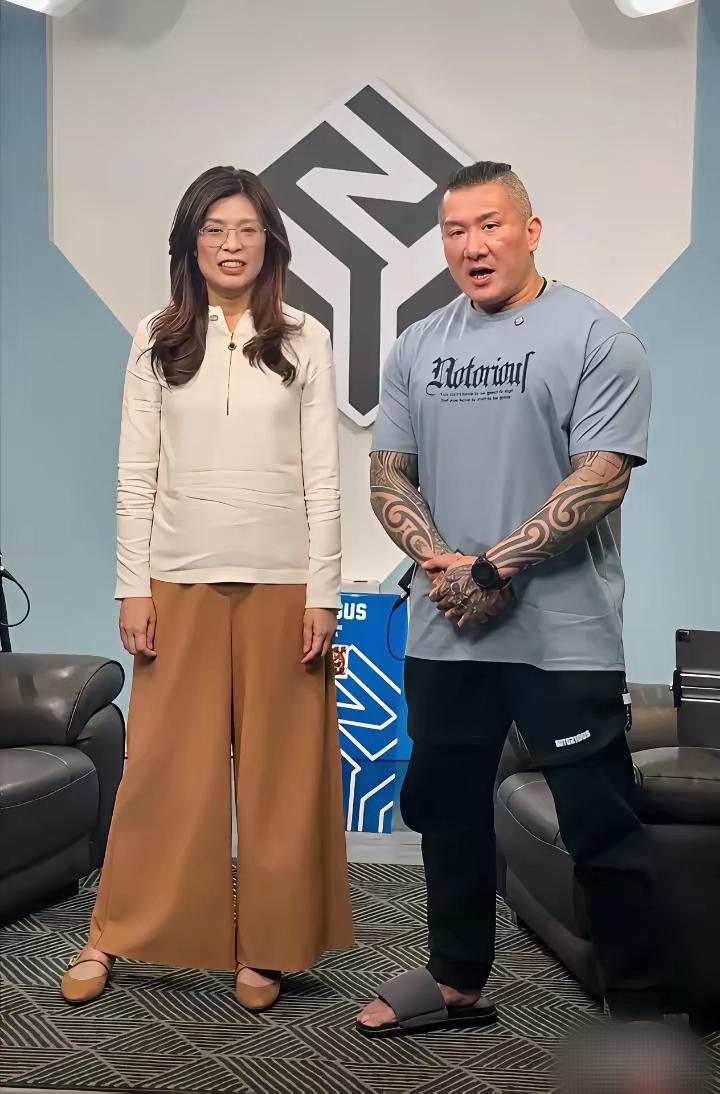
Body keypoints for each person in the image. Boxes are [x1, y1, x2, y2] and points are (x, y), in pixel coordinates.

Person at [357, 160, 663, 1037]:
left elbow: (600, 479)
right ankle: (456, 979)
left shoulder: (599, 338)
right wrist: (444, 565)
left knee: (598, 818)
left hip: (561, 632)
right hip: (445, 629)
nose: (473, 246)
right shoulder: (418, 345)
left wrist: (491, 569)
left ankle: (643, 1007)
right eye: (455, 231)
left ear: (530, 231)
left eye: (490, 225)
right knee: (445, 807)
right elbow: (388, 476)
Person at [61, 166, 353, 1011]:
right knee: (162, 771)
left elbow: (324, 476)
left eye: (247, 229)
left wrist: (324, 593)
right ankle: (114, 932)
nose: (231, 245)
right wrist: (132, 586)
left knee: (281, 778)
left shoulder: (305, 337)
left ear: (271, 243)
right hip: (177, 578)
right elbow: (135, 473)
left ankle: (267, 946)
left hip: (284, 582)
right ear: (191, 245)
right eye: (215, 230)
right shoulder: (155, 337)